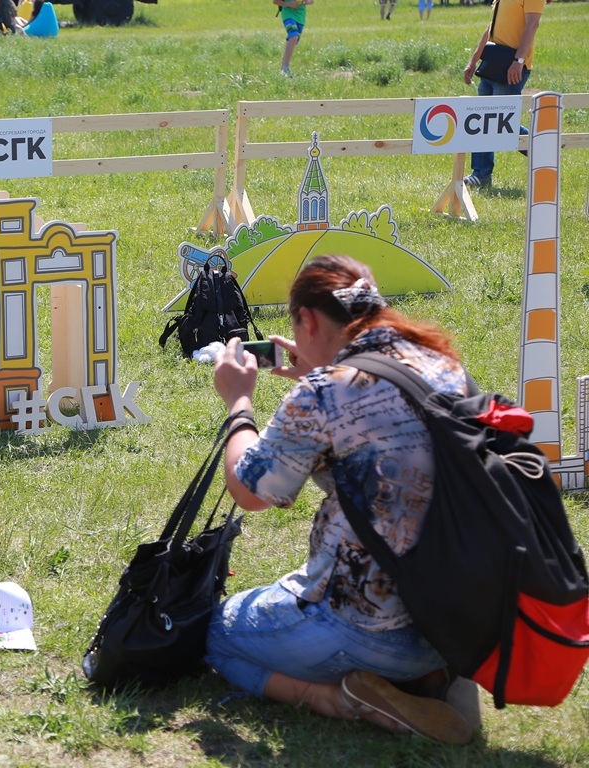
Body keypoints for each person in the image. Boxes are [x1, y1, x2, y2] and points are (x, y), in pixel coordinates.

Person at [206, 255, 477, 745]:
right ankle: (433, 679)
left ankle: (343, 698)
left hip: (369, 630)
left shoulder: (325, 393)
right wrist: (322, 373)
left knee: (218, 633)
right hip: (456, 624)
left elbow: (250, 491)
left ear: (307, 321)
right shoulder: (441, 366)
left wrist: (239, 403)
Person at [462, 0, 546, 189]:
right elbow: (492, 27)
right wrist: (474, 60)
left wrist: (518, 60)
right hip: (493, 62)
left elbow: (532, 24)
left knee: (501, 122)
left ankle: (544, 150)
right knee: (485, 119)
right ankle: (480, 174)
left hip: (512, 65)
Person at [273, 0, 312, 78]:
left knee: (293, 40)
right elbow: (275, 1)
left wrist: (307, 2)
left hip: (300, 17)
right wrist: (289, 4)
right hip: (288, 15)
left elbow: (311, 1)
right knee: (293, 36)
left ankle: (283, 69)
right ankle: (285, 68)